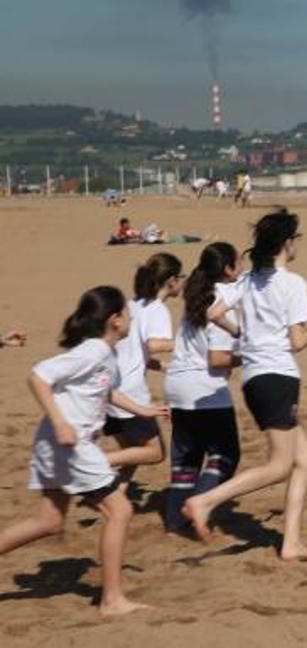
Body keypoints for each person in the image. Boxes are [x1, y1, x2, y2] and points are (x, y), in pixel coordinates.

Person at [0, 286, 167, 616]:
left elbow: (106, 391)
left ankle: (113, 598)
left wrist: (142, 410)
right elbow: (38, 377)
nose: (131, 319)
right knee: (120, 511)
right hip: (70, 445)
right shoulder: (92, 351)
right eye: (127, 314)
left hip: (59, 445)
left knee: (49, 522)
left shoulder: (106, 354)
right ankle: (112, 600)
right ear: (115, 320)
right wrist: (61, 422)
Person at [183, 208, 307, 560]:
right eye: (295, 239)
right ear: (286, 244)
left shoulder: (247, 281)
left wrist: (244, 335)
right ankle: (204, 500)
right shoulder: (292, 283)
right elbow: (298, 342)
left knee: (304, 457)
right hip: (278, 377)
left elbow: (212, 312)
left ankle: (291, 542)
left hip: (253, 379)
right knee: (280, 465)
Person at [162, 243, 243, 534]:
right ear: (228, 270)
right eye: (239, 263)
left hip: (178, 386)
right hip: (204, 389)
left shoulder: (196, 292)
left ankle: (175, 519)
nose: (242, 268)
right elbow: (218, 358)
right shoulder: (221, 298)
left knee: (188, 457)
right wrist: (248, 355)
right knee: (226, 454)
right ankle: (200, 502)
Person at [104, 253, 182, 474]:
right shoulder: (157, 309)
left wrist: (161, 366)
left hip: (111, 390)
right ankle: (94, 463)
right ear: (172, 280)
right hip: (130, 394)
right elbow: (154, 344)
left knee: (133, 453)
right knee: (155, 452)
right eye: (182, 276)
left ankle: (115, 497)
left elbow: (135, 350)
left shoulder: (133, 304)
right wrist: (185, 344)